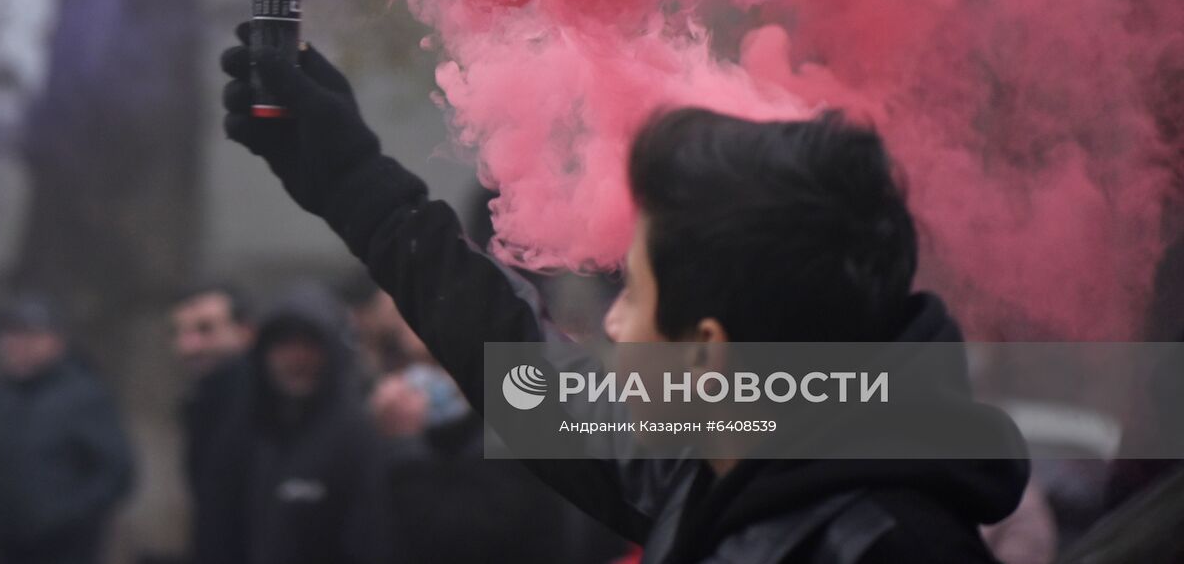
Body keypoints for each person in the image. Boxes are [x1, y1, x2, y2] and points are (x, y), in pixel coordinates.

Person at [220, 34, 1029, 564]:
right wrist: (351, 180)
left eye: (634, 294)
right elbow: (520, 361)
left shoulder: (883, 548)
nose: (607, 325)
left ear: (707, 351)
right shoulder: (723, 465)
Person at [197, 282, 392, 564]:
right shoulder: (242, 433)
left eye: (309, 344)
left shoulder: (357, 438)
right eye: (284, 344)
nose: (296, 357)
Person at [0, 294, 133, 564]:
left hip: (65, 550)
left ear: (55, 340)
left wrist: (65, 519)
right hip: (1, 548)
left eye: (27, 334)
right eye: (9, 334)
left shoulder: (83, 396)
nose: (15, 344)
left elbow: (116, 472)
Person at [168, 283, 255, 564]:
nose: (188, 345)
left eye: (206, 330)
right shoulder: (203, 401)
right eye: (180, 332)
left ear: (244, 332)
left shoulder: (260, 407)